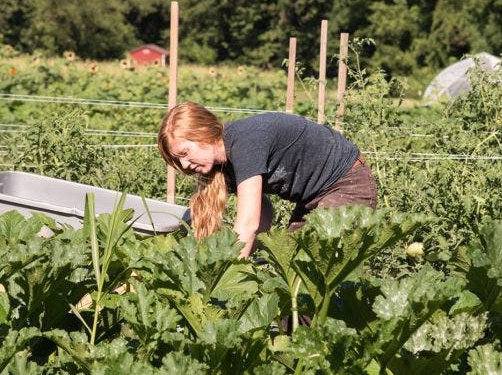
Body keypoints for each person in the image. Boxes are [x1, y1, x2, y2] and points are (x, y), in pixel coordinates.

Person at [157, 102, 377, 258]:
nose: (184, 166)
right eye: (177, 160)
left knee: (309, 268)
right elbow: (263, 211)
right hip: (315, 197)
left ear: (203, 133)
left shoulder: (245, 144)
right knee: (291, 271)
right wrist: (247, 256)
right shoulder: (223, 165)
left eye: (185, 153)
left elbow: (248, 223)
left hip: (347, 183)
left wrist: (227, 275)